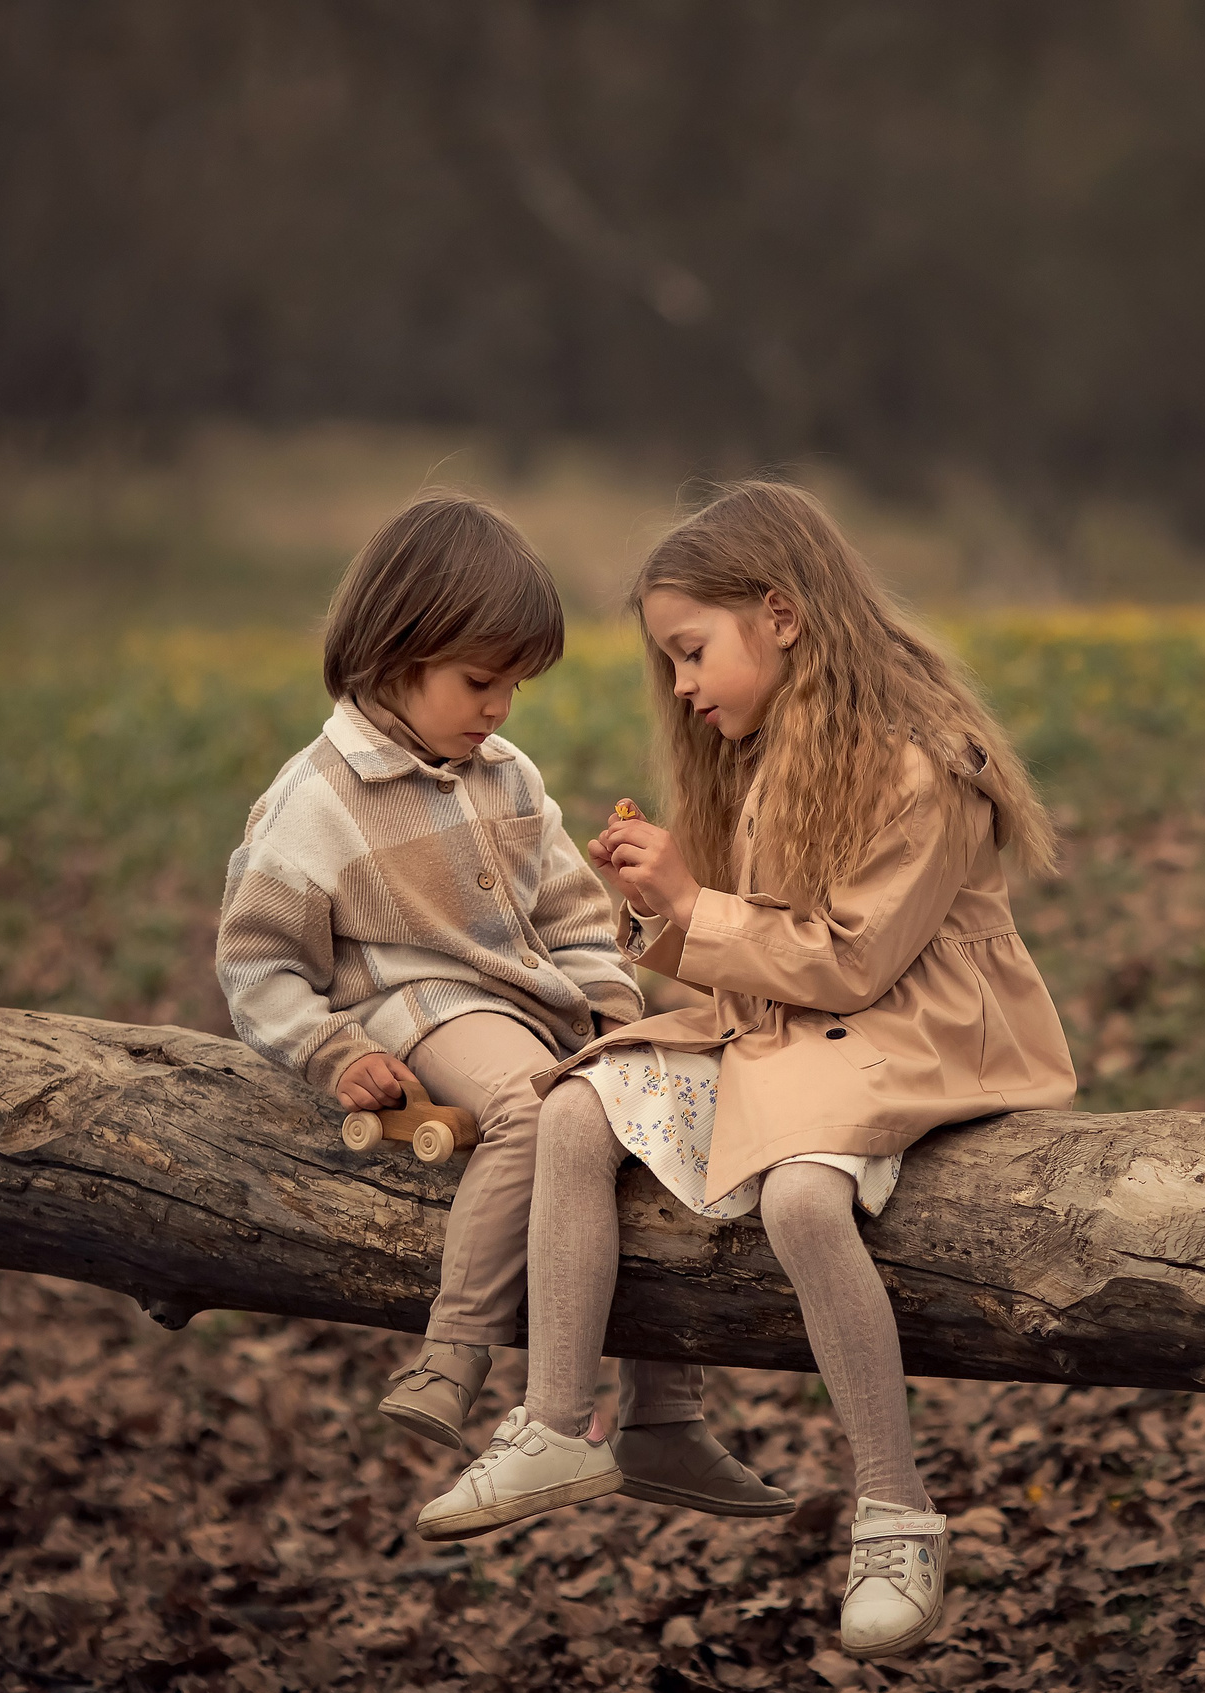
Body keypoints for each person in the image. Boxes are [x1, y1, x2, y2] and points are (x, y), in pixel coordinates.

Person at [412, 482, 1076, 1660]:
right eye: (669, 661)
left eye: (690, 651)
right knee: (577, 1108)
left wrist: (687, 903)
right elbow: (748, 966)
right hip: (794, 1028)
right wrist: (660, 914)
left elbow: (855, 963)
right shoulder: (772, 752)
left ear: (780, 612)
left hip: (912, 1037)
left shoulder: (924, 763)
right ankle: (561, 1420)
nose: (680, 685)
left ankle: (895, 1511)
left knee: (801, 1199)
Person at [215, 493, 791, 1525]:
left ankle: (663, 1417)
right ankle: (454, 1351)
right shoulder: (316, 802)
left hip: (541, 1010)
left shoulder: (508, 779)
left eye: (513, 687)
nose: (499, 710)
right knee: (531, 1107)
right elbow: (258, 967)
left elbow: (572, 916)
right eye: (479, 683)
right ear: (395, 656)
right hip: (416, 1008)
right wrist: (331, 1053)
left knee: (652, 1121)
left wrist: (614, 1009)